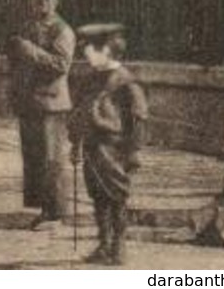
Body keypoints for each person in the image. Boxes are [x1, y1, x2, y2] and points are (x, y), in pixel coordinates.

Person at [69, 22, 147, 266]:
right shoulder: (90, 79)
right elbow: (79, 112)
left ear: (108, 50)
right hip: (92, 147)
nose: (85, 55)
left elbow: (138, 120)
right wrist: (75, 144)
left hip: (115, 147)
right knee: (98, 196)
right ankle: (104, 243)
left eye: (90, 50)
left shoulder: (125, 82)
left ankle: (119, 247)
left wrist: (133, 152)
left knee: (117, 197)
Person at [7, 0, 75, 229]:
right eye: (36, 1)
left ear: (55, 3)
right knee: (35, 158)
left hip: (52, 104)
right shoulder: (28, 27)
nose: (39, 5)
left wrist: (29, 51)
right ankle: (45, 209)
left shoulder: (62, 30)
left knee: (52, 160)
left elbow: (61, 65)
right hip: (30, 102)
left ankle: (56, 213)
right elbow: (18, 61)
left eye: (45, 0)